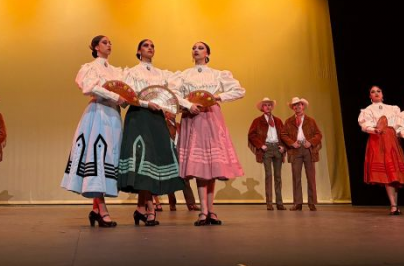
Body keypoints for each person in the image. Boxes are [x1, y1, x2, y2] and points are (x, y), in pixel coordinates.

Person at [173, 41, 245, 226]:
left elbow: (239, 91)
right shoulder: (184, 75)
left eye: (200, 48)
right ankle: (203, 210)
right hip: (193, 117)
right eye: (193, 48)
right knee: (200, 165)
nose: (196, 50)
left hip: (212, 116)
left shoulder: (217, 74)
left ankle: (210, 210)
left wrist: (217, 97)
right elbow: (173, 93)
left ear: (207, 54)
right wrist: (189, 104)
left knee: (212, 165)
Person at [61, 35, 127, 227]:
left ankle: (96, 210)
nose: (109, 45)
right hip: (98, 112)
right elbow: (89, 87)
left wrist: (123, 98)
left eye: (110, 42)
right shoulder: (90, 67)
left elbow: (125, 90)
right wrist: (114, 96)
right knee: (98, 155)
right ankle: (103, 210)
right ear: (96, 47)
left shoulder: (116, 71)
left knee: (108, 157)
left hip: (113, 114)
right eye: (105, 42)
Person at [118, 39, 185, 226]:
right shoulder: (131, 72)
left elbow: (171, 95)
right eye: (146, 45)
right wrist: (146, 103)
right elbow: (127, 97)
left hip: (156, 118)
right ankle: (150, 209)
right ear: (139, 50)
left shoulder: (161, 74)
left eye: (152, 46)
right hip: (138, 117)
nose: (150, 48)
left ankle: (141, 208)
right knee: (142, 158)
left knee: (152, 161)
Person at [358, 85, 404, 214]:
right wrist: (374, 130)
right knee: (387, 174)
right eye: (373, 92)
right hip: (378, 140)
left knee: (394, 174)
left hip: (392, 141)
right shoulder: (367, 110)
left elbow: (399, 126)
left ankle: (395, 205)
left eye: (378, 91)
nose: (376, 93)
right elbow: (365, 125)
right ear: (370, 96)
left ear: (382, 94)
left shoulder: (393, 109)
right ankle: (393, 205)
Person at [281, 97, 323, 211]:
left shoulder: (310, 120)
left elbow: (318, 134)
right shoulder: (289, 121)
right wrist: (292, 143)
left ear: (303, 106)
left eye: (299, 104)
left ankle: (312, 202)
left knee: (311, 176)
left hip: (308, 150)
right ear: (293, 108)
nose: (297, 107)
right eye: (295, 105)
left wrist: (311, 142)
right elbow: (283, 134)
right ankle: (298, 203)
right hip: (296, 150)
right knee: (296, 177)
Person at [247, 97, 286, 210]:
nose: (268, 107)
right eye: (265, 105)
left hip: (277, 148)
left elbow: (284, 134)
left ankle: (279, 203)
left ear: (272, 107)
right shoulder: (257, 121)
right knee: (269, 175)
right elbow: (251, 135)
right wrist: (261, 145)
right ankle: (269, 203)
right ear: (262, 108)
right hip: (267, 148)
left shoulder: (278, 120)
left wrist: (283, 146)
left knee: (278, 177)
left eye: (269, 105)